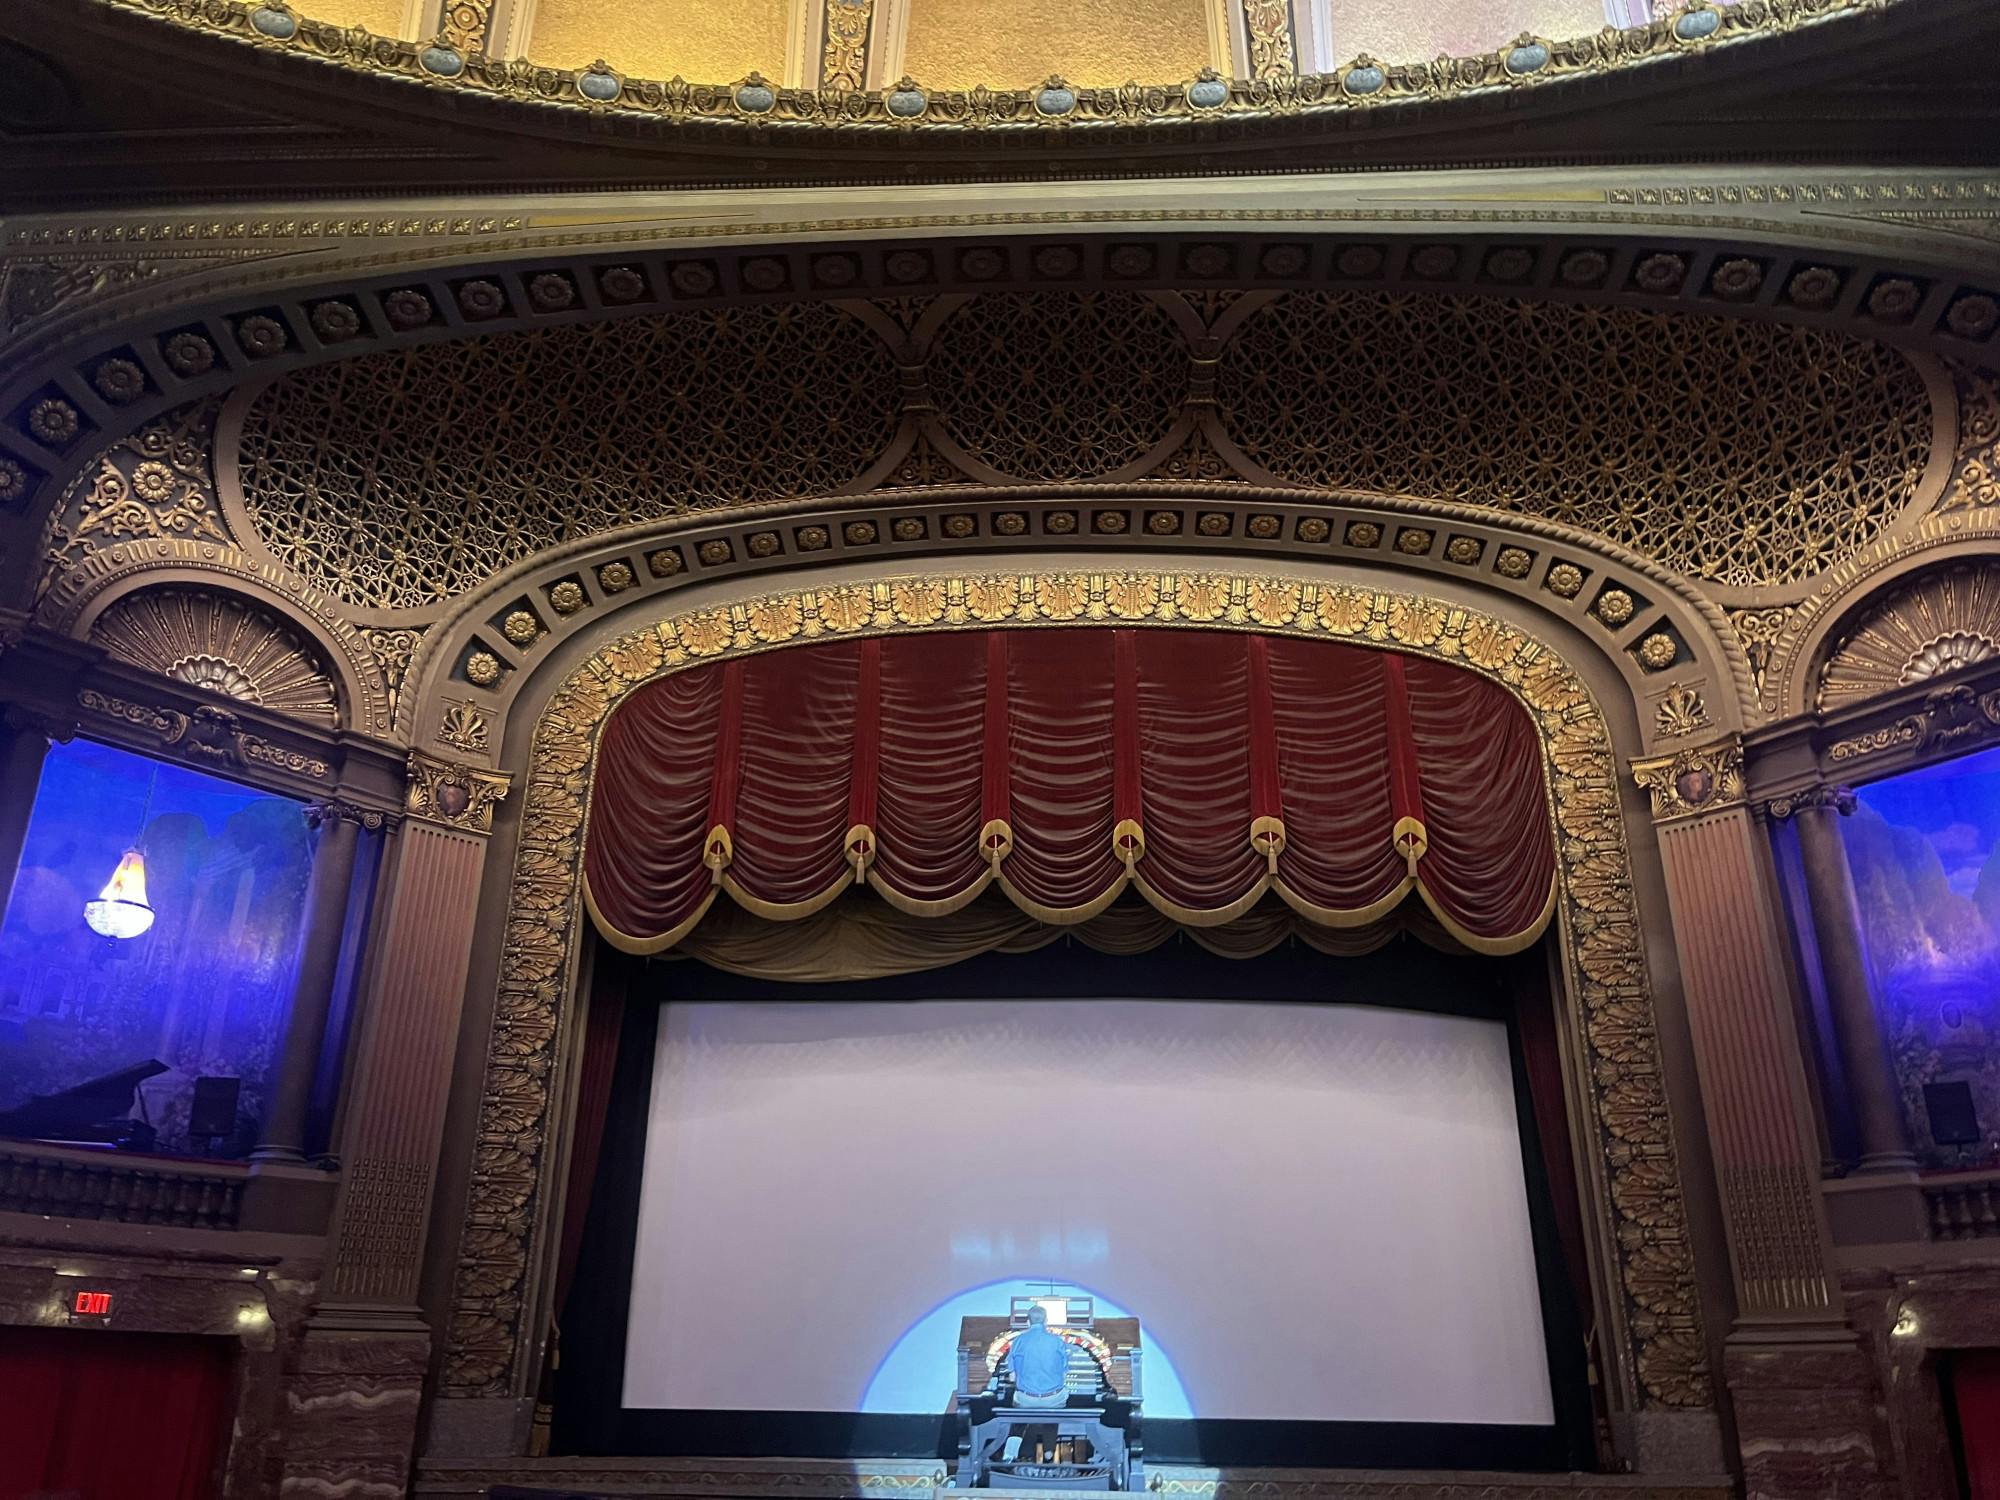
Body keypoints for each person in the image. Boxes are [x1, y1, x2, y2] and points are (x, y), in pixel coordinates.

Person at [1005, 1303, 1071, 1409]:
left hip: (1026, 1400)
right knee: (1062, 1394)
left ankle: (1022, 1425)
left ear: (1028, 1322)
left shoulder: (1018, 1341)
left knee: (1017, 1397)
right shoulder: (1058, 1341)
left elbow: (1012, 1378)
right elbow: (1064, 1375)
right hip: (1053, 1400)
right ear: (1046, 1321)